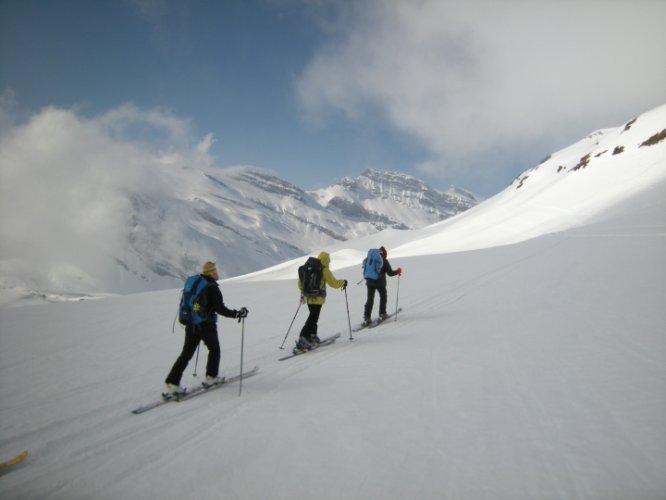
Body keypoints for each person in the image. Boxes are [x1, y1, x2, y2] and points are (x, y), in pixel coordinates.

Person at [165, 261, 248, 395]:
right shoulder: (212, 287)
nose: (217, 273)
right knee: (214, 349)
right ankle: (211, 377)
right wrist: (237, 314)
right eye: (215, 270)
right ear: (212, 272)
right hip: (206, 325)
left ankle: (172, 382)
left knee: (186, 354)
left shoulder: (197, 282)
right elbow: (220, 309)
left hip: (191, 323)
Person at [296, 251, 347, 352]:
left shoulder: (309, 269)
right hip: (318, 298)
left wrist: (305, 292)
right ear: (327, 260)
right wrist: (343, 282)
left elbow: (299, 284)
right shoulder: (324, 270)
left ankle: (312, 336)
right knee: (313, 318)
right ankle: (303, 338)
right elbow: (334, 283)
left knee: (313, 317)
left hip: (308, 297)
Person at [363, 246, 402, 326]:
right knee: (383, 296)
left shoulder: (371, 259)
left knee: (370, 299)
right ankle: (382, 313)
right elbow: (390, 273)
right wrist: (398, 271)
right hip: (379, 283)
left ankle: (367, 318)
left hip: (369, 281)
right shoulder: (384, 260)